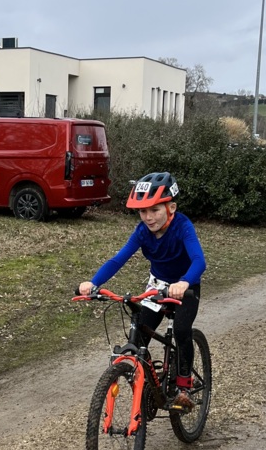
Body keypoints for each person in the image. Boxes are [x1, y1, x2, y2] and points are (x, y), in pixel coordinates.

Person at [78, 171, 206, 409]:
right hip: (157, 286)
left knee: (181, 330)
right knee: (138, 337)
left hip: (185, 286)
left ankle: (184, 385)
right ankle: (149, 387)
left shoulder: (182, 226)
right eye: (143, 211)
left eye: (155, 210)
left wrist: (184, 282)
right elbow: (118, 260)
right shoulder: (142, 232)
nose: (148, 217)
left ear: (171, 207)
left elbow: (199, 261)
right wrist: (93, 283)